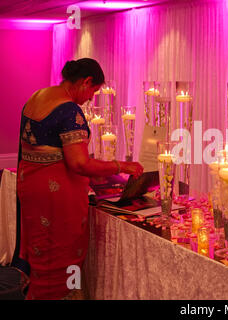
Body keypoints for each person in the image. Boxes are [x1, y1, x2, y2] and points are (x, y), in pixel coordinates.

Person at [15, 58, 144, 300]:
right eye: (93, 91)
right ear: (86, 82)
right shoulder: (69, 110)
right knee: (60, 255)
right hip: (55, 197)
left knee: (42, 250)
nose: (90, 98)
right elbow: (80, 163)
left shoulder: (38, 96)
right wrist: (121, 165)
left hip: (31, 186)